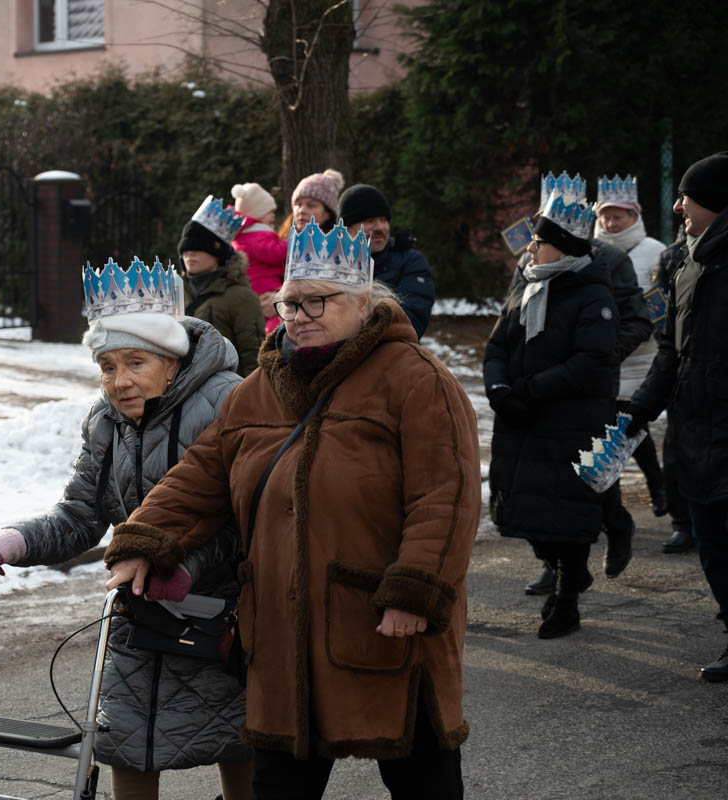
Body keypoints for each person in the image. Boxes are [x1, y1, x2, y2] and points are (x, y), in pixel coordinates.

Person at [103, 220, 480, 800]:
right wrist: (144, 539)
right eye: (288, 303)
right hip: (280, 636)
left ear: (363, 302)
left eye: (314, 302)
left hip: (383, 626)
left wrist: (415, 589)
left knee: (422, 780)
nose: (297, 317)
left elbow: (445, 498)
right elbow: (200, 477)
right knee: (278, 786)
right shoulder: (259, 388)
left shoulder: (416, 379)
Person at [0, 255, 252, 800]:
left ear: (171, 361)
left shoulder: (228, 401)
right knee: (126, 741)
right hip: (139, 613)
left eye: (135, 363)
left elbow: (245, 520)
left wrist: (184, 568)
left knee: (239, 740)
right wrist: (10, 543)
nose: (119, 382)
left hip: (222, 617)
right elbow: (80, 515)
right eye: (107, 366)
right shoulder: (105, 420)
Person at [484, 181, 619, 639]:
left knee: (566, 515)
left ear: (562, 247)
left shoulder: (593, 295)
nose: (531, 247)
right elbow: (498, 344)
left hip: (569, 421)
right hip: (522, 419)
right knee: (526, 512)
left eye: (539, 241)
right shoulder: (527, 284)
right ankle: (566, 573)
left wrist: (531, 389)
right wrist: (499, 388)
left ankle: (567, 599)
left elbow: (590, 360)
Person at [520, 173, 652, 595]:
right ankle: (554, 565)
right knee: (542, 479)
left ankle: (616, 524)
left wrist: (602, 354)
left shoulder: (609, 259)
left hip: (590, 386)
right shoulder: (531, 257)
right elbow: (513, 313)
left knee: (588, 471)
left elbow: (638, 320)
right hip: (541, 385)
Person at [624, 151, 728, 683]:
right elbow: (672, 350)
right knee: (712, 546)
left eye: (687, 196)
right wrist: (640, 408)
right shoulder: (687, 263)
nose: (677, 206)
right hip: (696, 433)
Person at [594, 176, 668, 516]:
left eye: (618, 216)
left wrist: (650, 330)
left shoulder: (654, 251)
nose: (611, 223)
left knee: (630, 421)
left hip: (641, 353)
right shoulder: (590, 249)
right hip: (604, 353)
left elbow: (662, 300)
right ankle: (613, 499)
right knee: (611, 425)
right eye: (605, 216)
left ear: (634, 216)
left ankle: (655, 484)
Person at [177, 195, 265, 376]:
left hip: (228, 388)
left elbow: (254, 358)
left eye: (199, 247)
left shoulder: (242, 297)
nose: (190, 254)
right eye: (186, 248)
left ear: (219, 254)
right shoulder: (173, 292)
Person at [339, 183, 435, 339]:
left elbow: (409, 323)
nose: (380, 228)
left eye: (383, 220)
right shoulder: (328, 264)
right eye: (369, 220)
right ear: (347, 228)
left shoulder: (410, 261)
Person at [650, 232, 694, 553]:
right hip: (681, 367)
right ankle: (683, 523)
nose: (679, 209)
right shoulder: (670, 257)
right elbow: (656, 306)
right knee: (676, 450)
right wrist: (668, 337)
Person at [230, 182, 287, 335]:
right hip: (265, 287)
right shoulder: (255, 237)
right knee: (277, 319)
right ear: (257, 213)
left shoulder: (246, 236)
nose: (273, 215)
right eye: (270, 212)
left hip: (258, 287)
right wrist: (293, 241)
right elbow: (275, 254)